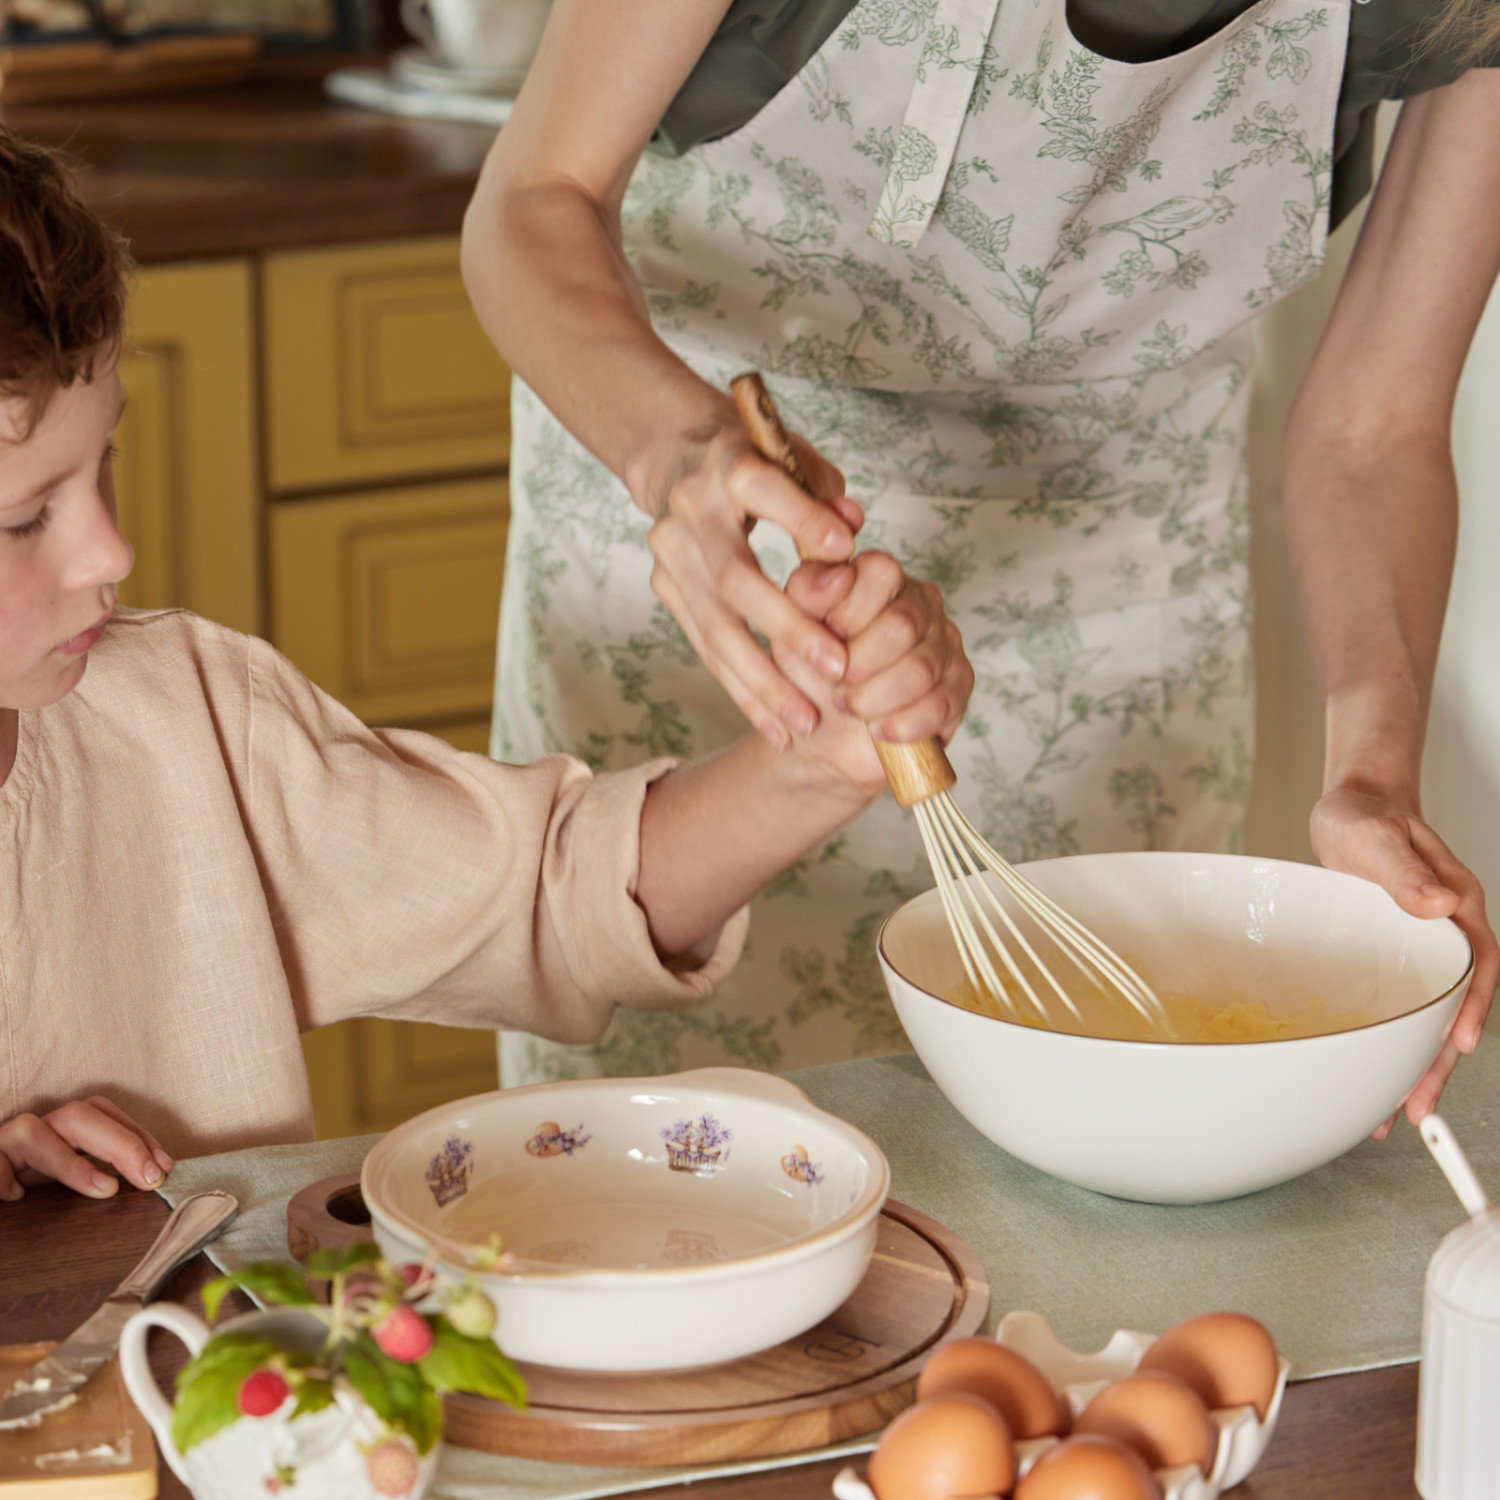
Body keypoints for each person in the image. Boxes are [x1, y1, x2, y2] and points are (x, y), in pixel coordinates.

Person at [461, 0, 1500, 1093]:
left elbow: (1373, 428)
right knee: (666, 1175)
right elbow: (536, 199)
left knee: (1093, 1143)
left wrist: (1375, 776)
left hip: (1116, 601)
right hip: (726, 547)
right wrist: (680, 456)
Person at [0, 126, 972, 1203]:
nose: (109, 552)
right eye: (25, 518)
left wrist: (819, 757)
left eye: (105, 466)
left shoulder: (186, 723)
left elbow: (555, 897)